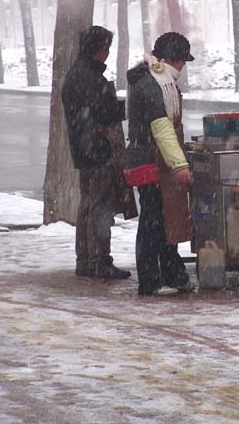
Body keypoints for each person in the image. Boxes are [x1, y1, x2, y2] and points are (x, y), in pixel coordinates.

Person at [126, 32, 195, 297]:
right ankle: (150, 281)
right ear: (172, 59)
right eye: (182, 61)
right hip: (151, 162)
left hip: (155, 160)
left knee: (166, 220)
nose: (183, 67)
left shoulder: (155, 79)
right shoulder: (155, 84)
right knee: (153, 222)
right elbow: (162, 128)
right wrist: (180, 165)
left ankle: (174, 275)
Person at [61, 25, 131, 280]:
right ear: (100, 49)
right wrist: (127, 106)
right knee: (100, 206)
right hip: (97, 149)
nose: (108, 53)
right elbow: (105, 112)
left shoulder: (75, 74)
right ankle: (100, 260)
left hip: (83, 149)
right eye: (106, 48)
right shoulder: (90, 78)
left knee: (88, 204)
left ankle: (86, 260)